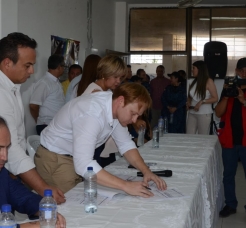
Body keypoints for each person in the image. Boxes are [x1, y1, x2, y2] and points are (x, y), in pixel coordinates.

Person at [34, 83, 167, 194]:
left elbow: (126, 145)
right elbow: (83, 164)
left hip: (71, 158)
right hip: (55, 159)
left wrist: (146, 171)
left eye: (137, 116)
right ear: (121, 101)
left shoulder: (114, 107)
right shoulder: (92, 113)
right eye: (133, 113)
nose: (134, 120)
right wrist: (125, 186)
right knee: (73, 208)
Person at [0, 32, 65, 204]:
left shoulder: (12, 87)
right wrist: (43, 188)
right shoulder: (1, 93)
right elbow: (11, 148)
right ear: (7, 63)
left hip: (11, 171)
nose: (32, 71)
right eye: (27, 65)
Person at [215, 57, 246, 224]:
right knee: (228, 175)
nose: (244, 73)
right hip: (229, 140)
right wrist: (226, 96)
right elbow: (218, 113)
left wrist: (244, 101)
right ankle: (230, 204)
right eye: (241, 70)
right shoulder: (228, 89)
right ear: (236, 71)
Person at [0, 117, 66, 228]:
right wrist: (30, 226)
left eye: (7, 148)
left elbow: (24, 197)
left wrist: (46, 212)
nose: (5, 157)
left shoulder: (2, 174)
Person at [82, 54, 127, 168]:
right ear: (104, 73)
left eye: (120, 78)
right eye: (115, 77)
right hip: (92, 144)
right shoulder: (97, 93)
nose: (118, 81)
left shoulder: (103, 91)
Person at [29, 54, 65, 135]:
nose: (64, 69)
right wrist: (38, 120)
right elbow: (33, 105)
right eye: (63, 67)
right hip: (46, 125)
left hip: (55, 125)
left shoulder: (55, 82)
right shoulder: (44, 83)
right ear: (59, 67)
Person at [186, 61, 218, 134]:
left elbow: (215, 98)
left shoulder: (209, 81)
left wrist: (202, 101)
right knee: (189, 135)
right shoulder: (193, 81)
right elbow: (190, 96)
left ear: (200, 69)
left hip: (204, 113)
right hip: (192, 112)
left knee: (202, 137)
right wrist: (188, 101)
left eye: (193, 68)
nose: (192, 70)